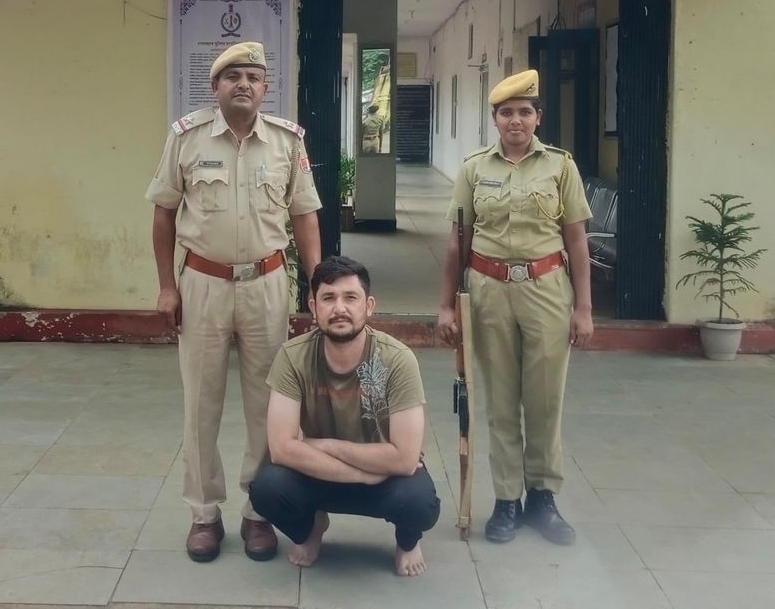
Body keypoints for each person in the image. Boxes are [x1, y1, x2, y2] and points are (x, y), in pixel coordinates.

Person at [146, 40, 322, 564]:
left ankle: (258, 511)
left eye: (253, 77)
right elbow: (163, 214)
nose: (243, 84)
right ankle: (204, 514)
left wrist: (316, 287)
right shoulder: (186, 138)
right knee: (201, 402)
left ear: (266, 88)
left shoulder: (287, 142)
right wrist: (167, 286)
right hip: (202, 284)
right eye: (232, 76)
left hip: (267, 283)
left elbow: (305, 216)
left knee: (269, 404)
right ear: (215, 86)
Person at [436, 69, 593, 546]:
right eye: (507, 113)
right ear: (495, 119)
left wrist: (584, 308)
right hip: (489, 290)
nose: (516, 120)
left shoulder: (561, 167)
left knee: (545, 400)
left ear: (538, 117)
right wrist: (446, 305)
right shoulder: (474, 169)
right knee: (500, 401)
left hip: (546, 288)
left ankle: (543, 497)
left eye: (525, 111)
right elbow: (457, 240)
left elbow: (576, 240)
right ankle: (507, 499)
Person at [250, 256, 441, 576]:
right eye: (328, 298)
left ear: (369, 306)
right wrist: (361, 474)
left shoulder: (398, 359)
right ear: (314, 307)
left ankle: (408, 542)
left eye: (350, 297)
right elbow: (281, 449)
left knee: (419, 502)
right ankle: (310, 527)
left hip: (384, 478)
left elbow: (405, 459)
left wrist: (325, 445)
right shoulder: (293, 357)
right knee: (267, 489)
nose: (340, 308)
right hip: (331, 473)